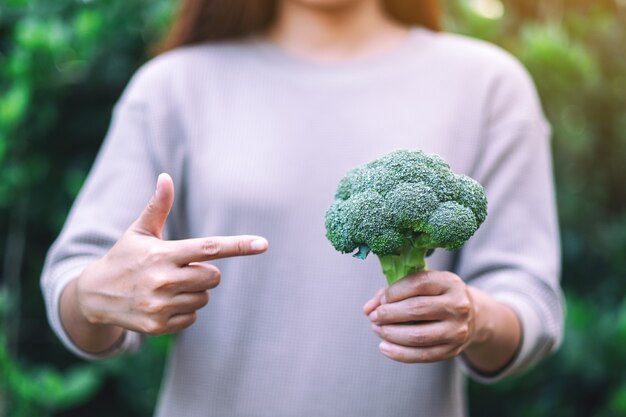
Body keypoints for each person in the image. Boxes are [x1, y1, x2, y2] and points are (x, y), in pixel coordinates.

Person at [41, 0, 564, 416]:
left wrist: (477, 319)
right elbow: (76, 280)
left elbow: (530, 301)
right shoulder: (171, 86)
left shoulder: (488, 84)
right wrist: (95, 294)